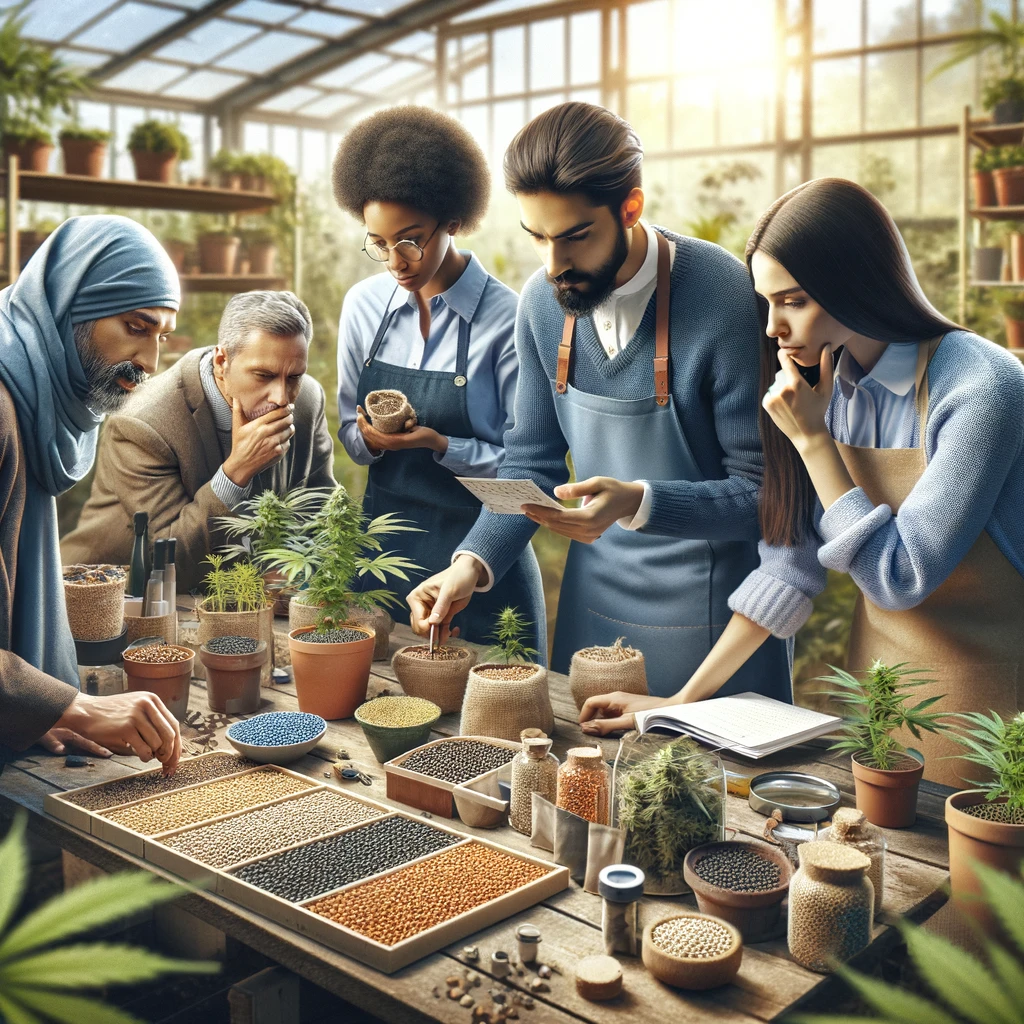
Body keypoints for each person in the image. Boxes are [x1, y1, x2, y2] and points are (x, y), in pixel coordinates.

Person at [580, 177, 1024, 785]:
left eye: (792, 302)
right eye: (767, 303)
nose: (772, 328)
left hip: (990, 700)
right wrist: (679, 703)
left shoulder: (982, 388)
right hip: (879, 690)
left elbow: (901, 577)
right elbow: (788, 567)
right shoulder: (825, 378)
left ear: (856, 283)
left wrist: (814, 442)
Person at [406, 101, 790, 698]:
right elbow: (528, 465)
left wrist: (638, 501)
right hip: (592, 615)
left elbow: (767, 496)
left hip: (713, 621)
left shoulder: (724, 297)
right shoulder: (542, 301)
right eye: (537, 237)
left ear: (630, 208)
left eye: (575, 237)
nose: (555, 265)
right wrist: (470, 566)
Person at [333, 105, 546, 652]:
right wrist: (370, 440)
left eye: (410, 239)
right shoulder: (363, 307)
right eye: (378, 244)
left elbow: (527, 470)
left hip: (483, 562)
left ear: (452, 220)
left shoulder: (507, 319)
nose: (395, 261)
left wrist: (438, 443)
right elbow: (350, 436)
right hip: (382, 553)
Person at [0, 215, 181, 770]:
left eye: (162, 336)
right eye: (135, 326)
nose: (149, 364)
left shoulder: (33, 398)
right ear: (69, 309)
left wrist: (36, 714)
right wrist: (72, 705)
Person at [62, 290, 337, 593]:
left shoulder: (308, 399)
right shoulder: (141, 423)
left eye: (294, 377)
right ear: (222, 361)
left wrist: (294, 567)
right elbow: (168, 561)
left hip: (242, 599)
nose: (281, 397)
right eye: (263, 375)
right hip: (113, 596)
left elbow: (320, 506)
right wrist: (236, 473)